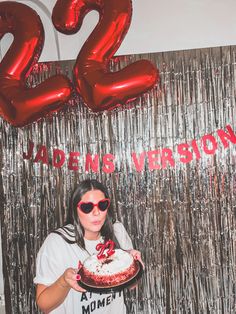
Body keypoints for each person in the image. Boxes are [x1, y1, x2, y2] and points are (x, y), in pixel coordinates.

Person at [34, 179, 143, 313]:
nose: (96, 212)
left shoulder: (117, 230)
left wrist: (133, 267)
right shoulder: (57, 242)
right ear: (75, 210)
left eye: (102, 205)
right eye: (87, 207)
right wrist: (64, 281)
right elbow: (44, 305)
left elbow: (131, 285)